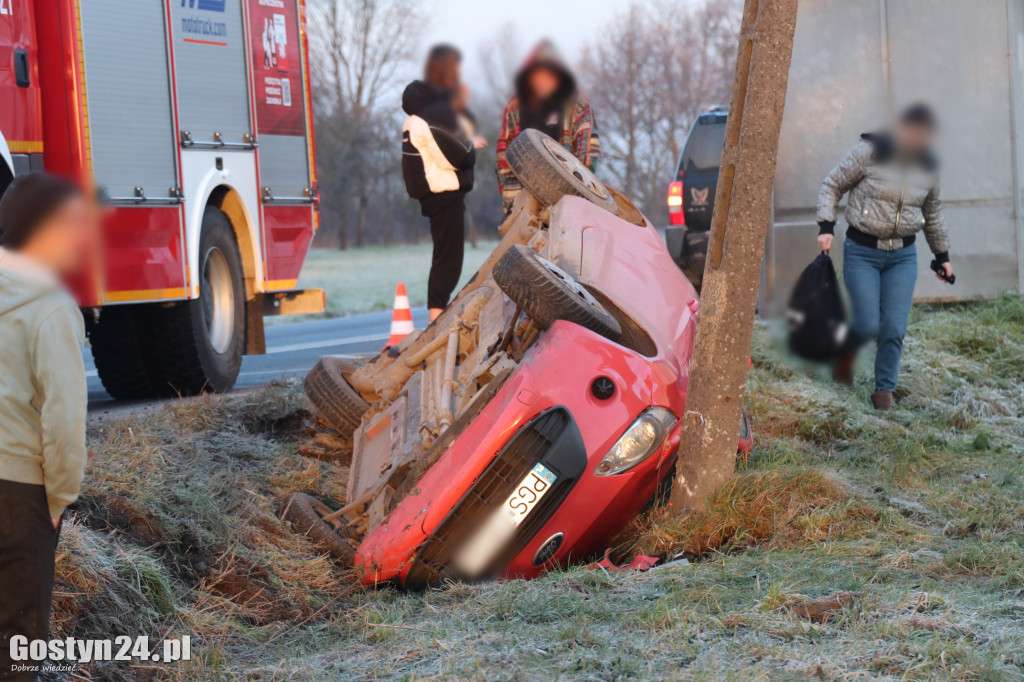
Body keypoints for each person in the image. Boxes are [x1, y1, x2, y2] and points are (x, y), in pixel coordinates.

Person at [0, 173, 93, 680]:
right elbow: (62, 424)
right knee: (17, 643)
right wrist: (58, 500)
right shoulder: (51, 308)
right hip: (17, 493)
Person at [817, 103, 952, 411]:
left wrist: (942, 255)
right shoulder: (869, 152)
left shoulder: (928, 166)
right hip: (862, 252)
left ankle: (883, 396)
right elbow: (831, 185)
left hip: (903, 257)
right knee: (866, 324)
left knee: (893, 328)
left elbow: (933, 215)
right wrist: (826, 225)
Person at [401, 44, 482, 323]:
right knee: (448, 260)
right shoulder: (431, 115)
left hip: (434, 193)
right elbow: (458, 154)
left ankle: (436, 317)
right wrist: (471, 148)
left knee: (445, 257)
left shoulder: (418, 116)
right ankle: (435, 321)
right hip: (443, 193)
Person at [496, 40, 600, 212]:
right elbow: (504, 154)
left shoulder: (576, 104)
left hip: (566, 201)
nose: (543, 80)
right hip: (521, 202)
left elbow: (588, 151)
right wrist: (509, 198)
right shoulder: (515, 106)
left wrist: (576, 193)